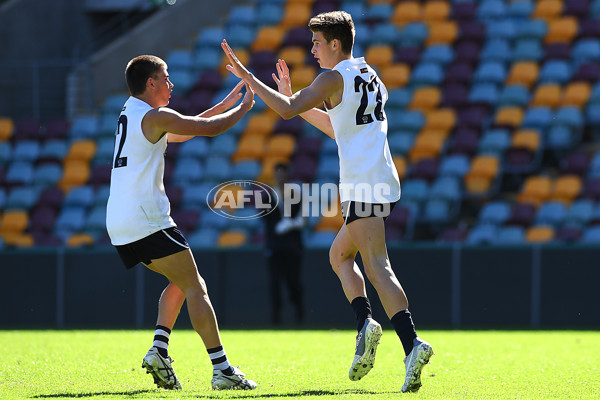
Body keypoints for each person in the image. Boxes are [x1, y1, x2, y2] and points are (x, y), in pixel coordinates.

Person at [222, 11, 433, 393]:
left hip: (364, 183)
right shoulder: (368, 74)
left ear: (336, 43)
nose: (313, 49)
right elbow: (337, 128)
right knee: (339, 257)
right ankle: (366, 325)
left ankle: (412, 344)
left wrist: (249, 78)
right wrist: (294, 99)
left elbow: (286, 110)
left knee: (377, 265)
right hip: (378, 179)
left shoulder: (333, 77)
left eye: (318, 42)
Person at [105, 55, 257, 391]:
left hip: (121, 222)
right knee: (195, 287)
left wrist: (226, 102)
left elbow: (187, 126)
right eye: (166, 78)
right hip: (147, 218)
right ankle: (222, 369)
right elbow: (208, 129)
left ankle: (159, 349)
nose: (171, 84)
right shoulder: (156, 115)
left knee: (181, 282)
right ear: (151, 83)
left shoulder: (132, 113)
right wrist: (245, 107)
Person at [262, 162, 304, 324]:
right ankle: (276, 318)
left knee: (293, 282)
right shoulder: (269, 196)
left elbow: (304, 218)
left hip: (292, 246)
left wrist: (290, 224)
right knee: (274, 283)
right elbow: (264, 218)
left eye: (283, 173)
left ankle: (299, 314)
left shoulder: (297, 194)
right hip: (274, 247)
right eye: (277, 173)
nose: (280, 177)